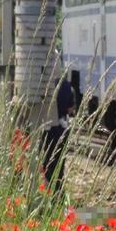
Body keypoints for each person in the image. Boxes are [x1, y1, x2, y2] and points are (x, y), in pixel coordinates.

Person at [42, 64, 75, 197]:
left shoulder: (42, 84)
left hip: (45, 129)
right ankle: (57, 192)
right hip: (61, 129)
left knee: (46, 161)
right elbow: (70, 109)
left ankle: (46, 191)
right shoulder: (66, 86)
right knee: (59, 163)